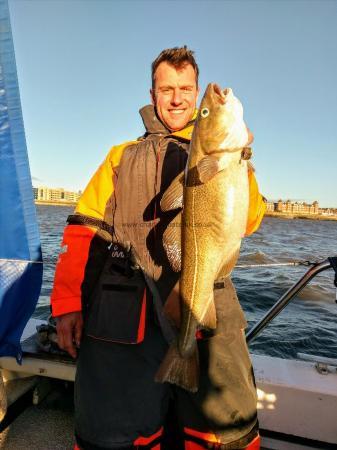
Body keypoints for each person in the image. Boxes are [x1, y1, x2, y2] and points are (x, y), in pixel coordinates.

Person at [51, 46, 266, 450]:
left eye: (187, 88)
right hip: (128, 314)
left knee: (224, 427)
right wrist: (66, 305)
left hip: (207, 303)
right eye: (167, 88)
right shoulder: (120, 156)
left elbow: (250, 220)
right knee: (114, 429)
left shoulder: (230, 158)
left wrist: (242, 160)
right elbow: (83, 231)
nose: (178, 98)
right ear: (153, 95)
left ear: (196, 88)